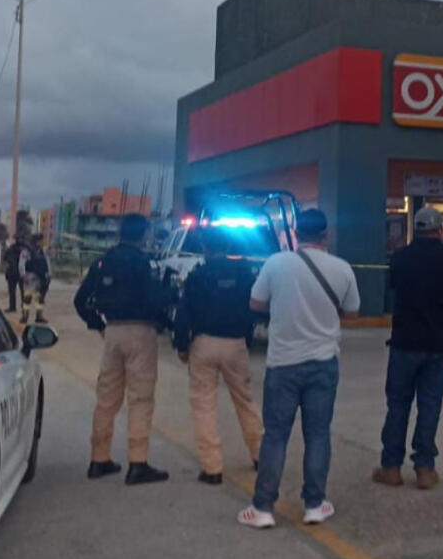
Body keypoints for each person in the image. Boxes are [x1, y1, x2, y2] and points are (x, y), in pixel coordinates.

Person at [237, 209, 360, 529]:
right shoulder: (342, 268)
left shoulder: (276, 263)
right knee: (318, 435)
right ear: (326, 234)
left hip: (283, 364)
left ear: (296, 233)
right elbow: (353, 312)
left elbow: (255, 303)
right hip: (323, 364)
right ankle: (315, 505)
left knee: (275, 436)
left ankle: (262, 508)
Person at [373, 208, 443, 491]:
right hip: (440, 344)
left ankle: (391, 467)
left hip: (405, 342)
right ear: (440, 230)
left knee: (398, 404)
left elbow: (394, 289)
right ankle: (425, 468)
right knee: (430, 405)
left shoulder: (400, 258)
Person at [73, 214, 170, 485]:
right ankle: (138, 463)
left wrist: (98, 325)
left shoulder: (104, 260)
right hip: (140, 332)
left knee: (106, 398)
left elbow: (80, 300)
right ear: (143, 234)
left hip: (112, 331)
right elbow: (156, 301)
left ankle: (98, 459)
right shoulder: (144, 262)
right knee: (140, 398)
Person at [172, 226, 264, 485]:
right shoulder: (244, 273)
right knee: (245, 401)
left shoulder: (198, 274)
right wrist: (246, 334)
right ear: (229, 247)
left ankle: (212, 468)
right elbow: (255, 307)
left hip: (203, 343)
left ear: (204, 248)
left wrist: (181, 345)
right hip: (235, 344)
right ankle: (260, 456)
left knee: (204, 405)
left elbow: (184, 312)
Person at [21, 236, 52, 324]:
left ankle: (39, 316)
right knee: (27, 298)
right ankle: (25, 316)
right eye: (40, 241)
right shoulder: (27, 252)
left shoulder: (44, 252)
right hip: (30, 278)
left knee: (40, 299)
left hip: (41, 278)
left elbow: (48, 264)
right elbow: (22, 264)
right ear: (35, 242)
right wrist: (23, 276)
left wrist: (49, 275)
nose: (42, 243)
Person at [2, 236, 28, 313]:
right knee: (22, 291)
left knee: (14, 291)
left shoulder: (12, 248)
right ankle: (23, 306)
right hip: (18, 273)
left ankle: (14, 307)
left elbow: (5, 258)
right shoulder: (25, 248)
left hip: (15, 272)